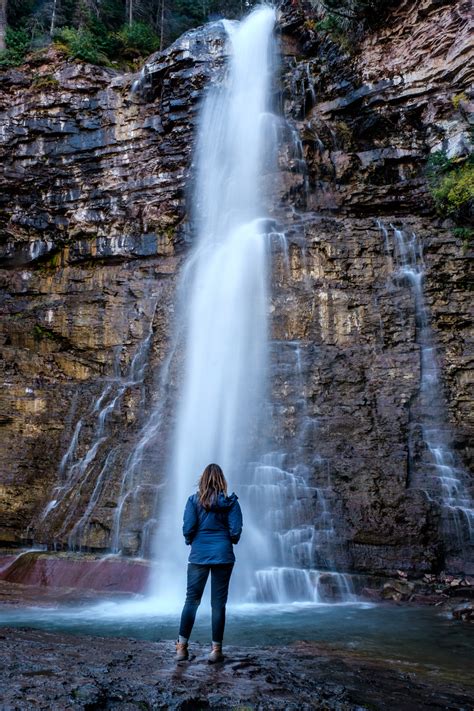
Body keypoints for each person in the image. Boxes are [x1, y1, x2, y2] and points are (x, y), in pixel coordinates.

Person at [176, 463, 243, 663]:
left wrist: (192, 541)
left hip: (199, 555)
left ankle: (181, 648)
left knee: (191, 600)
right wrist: (228, 541)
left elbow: (188, 528)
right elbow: (236, 531)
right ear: (222, 481)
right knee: (218, 604)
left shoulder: (193, 501)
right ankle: (216, 650)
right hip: (223, 555)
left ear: (202, 480)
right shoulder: (231, 503)